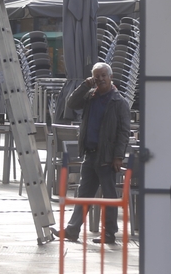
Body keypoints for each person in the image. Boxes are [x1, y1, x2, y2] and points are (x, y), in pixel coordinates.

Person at [54, 62, 131, 245]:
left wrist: (118, 156)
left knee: (110, 197)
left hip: (107, 157)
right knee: (83, 194)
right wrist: (85, 85)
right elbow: (71, 103)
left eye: (103, 75)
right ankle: (72, 230)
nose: (100, 79)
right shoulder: (90, 97)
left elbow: (123, 132)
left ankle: (109, 234)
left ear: (110, 77)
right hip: (90, 154)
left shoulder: (119, 102)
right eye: (96, 76)